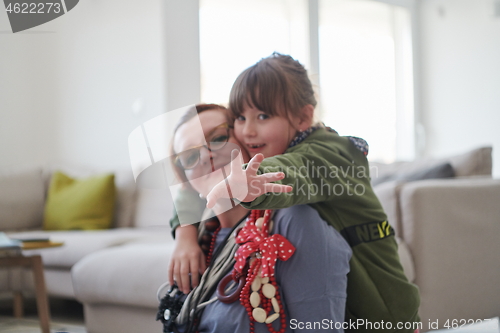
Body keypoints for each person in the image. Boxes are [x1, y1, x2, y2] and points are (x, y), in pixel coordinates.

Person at [169, 53, 421, 332]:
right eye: (240, 117)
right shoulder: (255, 150)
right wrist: (184, 235)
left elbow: (297, 171)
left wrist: (250, 182)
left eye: (263, 116)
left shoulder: (334, 154)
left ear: (303, 117)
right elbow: (190, 188)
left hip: (384, 317)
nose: (248, 130)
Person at [167, 103, 351, 333]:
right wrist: (184, 234)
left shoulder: (292, 221)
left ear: (247, 141)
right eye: (190, 155)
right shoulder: (199, 235)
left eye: (218, 138)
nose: (205, 155)